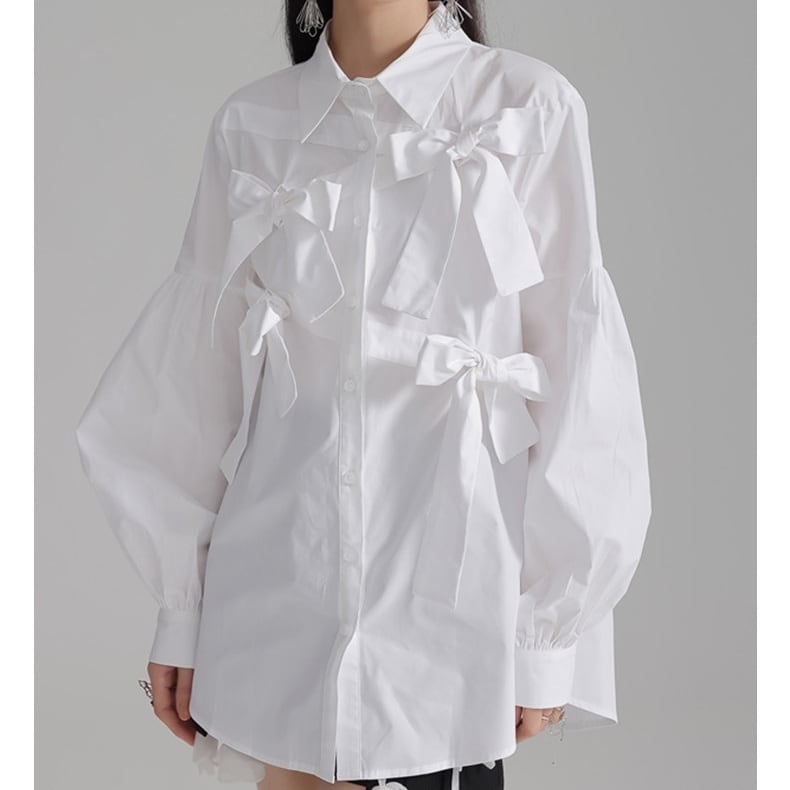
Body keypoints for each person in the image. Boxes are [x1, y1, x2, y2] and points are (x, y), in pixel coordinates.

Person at [75, 1, 652, 788]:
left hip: (450, 610)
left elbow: (581, 376)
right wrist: (182, 608)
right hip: (277, 604)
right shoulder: (254, 124)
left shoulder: (528, 108)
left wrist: (550, 634)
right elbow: (186, 383)